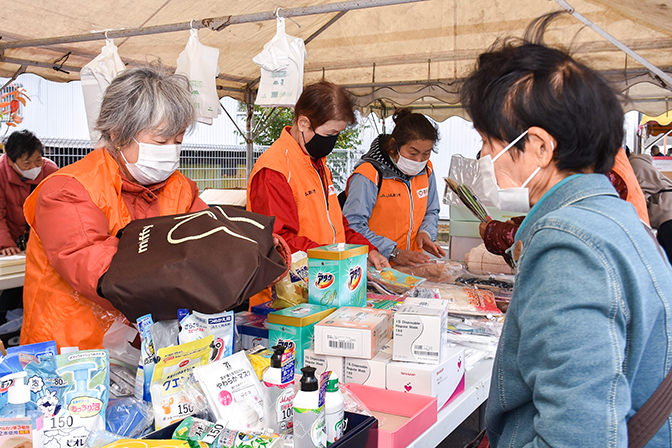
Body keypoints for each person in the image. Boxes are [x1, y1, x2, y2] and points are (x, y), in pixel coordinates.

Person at [461, 33, 672, 447]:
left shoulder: (569, 246)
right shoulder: (614, 218)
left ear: (538, 146)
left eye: (489, 142)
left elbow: (579, 436)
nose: (484, 158)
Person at [21, 66, 208, 350]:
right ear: (118, 133)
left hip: (139, 350)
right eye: (160, 140)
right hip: (72, 356)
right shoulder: (67, 190)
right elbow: (101, 270)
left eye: (178, 141)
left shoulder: (179, 187)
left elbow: (212, 237)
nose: (170, 150)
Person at [247, 82, 388, 290]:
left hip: (324, 283)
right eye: (330, 134)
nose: (332, 142)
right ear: (303, 122)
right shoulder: (275, 170)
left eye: (337, 135)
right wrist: (338, 258)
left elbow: (337, 227)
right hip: (287, 297)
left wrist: (368, 250)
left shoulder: (317, 163)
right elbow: (279, 241)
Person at [342, 108, 445, 265]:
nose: (419, 160)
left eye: (426, 153)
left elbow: (431, 211)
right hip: (376, 267)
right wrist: (393, 252)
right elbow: (353, 225)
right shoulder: (369, 174)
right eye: (413, 153)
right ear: (394, 146)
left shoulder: (427, 170)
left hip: (412, 266)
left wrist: (426, 232)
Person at [0, 130, 58, 256]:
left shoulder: (50, 171)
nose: (34, 167)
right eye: (27, 163)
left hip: (40, 242)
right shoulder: (1, 173)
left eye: (38, 160)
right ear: (10, 160)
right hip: (9, 241)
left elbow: (60, 210)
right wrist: (5, 244)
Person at [629, 152, 672, 262]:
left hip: (667, 214)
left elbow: (635, 194)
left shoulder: (633, 165)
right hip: (666, 214)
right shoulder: (639, 162)